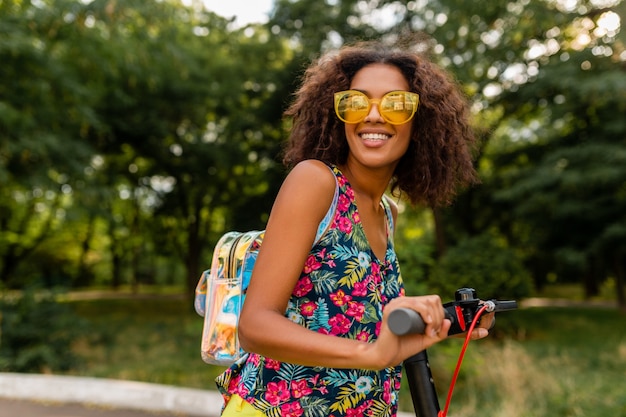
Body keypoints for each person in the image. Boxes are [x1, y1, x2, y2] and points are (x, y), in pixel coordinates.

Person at [216, 40, 491, 417]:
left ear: (419, 119)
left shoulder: (387, 213)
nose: (374, 115)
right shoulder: (315, 183)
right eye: (356, 103)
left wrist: (448, 319)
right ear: (338, 114)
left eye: (395, 104)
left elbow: (361, 328)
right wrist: (371, 355)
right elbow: (255, 325)